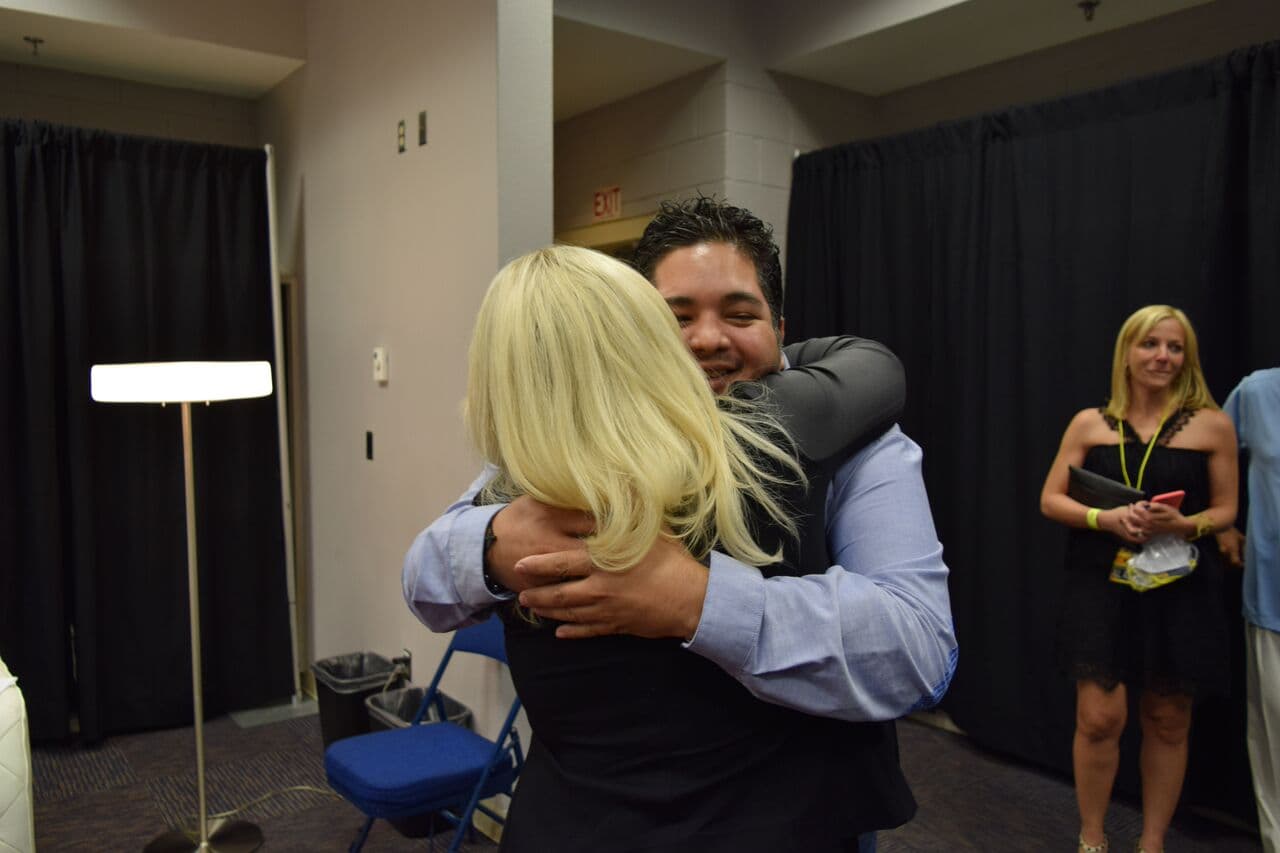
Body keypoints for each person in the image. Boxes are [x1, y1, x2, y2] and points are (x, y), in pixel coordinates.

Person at [404, 198, 956, 848]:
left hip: (796, 824)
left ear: (780, 328)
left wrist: (695, 599)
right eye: (677, 317)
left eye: (740, 314)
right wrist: (492, 544)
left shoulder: (858, 445)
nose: (707, 339)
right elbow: (425, 580)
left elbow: (920, 652)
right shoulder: (554, 461)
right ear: (634, 334)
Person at [1040, 305, 1238, 853]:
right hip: (1100, 585)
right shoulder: (1089, 423)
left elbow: (1225, 510)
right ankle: (1093, 838)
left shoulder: (1212, 426)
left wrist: (1186, 523)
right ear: (1127, 352)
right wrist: (1105, 519)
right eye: (1151, 344)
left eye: (1175, 348)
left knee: (1168, 719)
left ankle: (1151, 844)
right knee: (1099, 717)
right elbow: (1050, 498)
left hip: (1180, 589)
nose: (1163, 357)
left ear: (1188, 358)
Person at [1215, 367, 1280, 853]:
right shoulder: (1259, 392)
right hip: (1272, 597)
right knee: (1274, 734)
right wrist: (1222, 524)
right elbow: (1207, 454)